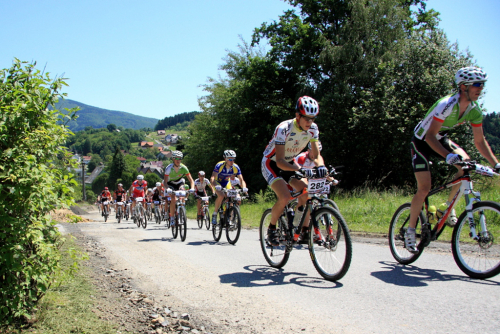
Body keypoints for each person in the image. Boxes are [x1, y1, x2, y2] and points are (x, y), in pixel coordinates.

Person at [405, 67, 500, 253]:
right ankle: (410, 230)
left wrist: (495, 163)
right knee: (424, 188)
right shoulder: (447, 104)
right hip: (422, 141)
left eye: (483, 85)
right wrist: (447, 155)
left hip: (438, 138)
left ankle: (447, 208)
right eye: (477, 85)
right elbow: (430, 136)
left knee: (466, 164)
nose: (480, 89)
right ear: (463, 86)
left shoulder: (474, 110)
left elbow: (480, 141)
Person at [262, 96, 328, 246]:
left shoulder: (313, 129)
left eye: (313, 119)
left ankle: (303, 230)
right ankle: (271, 228)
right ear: (298, 116)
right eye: (306, 118)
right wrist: (301, 169)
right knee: (285, 197)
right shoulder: (283, 128)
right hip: (271, 163)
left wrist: (321, 167)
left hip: (290, 162)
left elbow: (316, 155)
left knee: (306, 191)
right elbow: (279, 161)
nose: (310, 122)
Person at [210, 150, 248, 224]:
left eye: (233, 159)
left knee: (231, 196)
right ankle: (214, 214)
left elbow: (241, 180)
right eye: (229, 159)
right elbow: (212, 178)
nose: (232, 161)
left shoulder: (235, 167)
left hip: (227, 182)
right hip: (217, 182)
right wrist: (216, 185)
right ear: (225, 159)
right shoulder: (219, 165)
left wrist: (244, 188)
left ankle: (228, 215)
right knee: (221, 195)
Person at [164, 151, 195, 226]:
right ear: (173, 159)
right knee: (173, 200)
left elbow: (191, 180)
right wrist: (167, 188)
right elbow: (165, 182)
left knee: (182, 195)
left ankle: (182, 211)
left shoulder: (184, 168)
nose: (178, 160)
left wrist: (192, 188)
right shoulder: (168, 168)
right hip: (170, 183)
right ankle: (171, 218)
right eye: (176, 158)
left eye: (180, 158)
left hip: (180, 183)